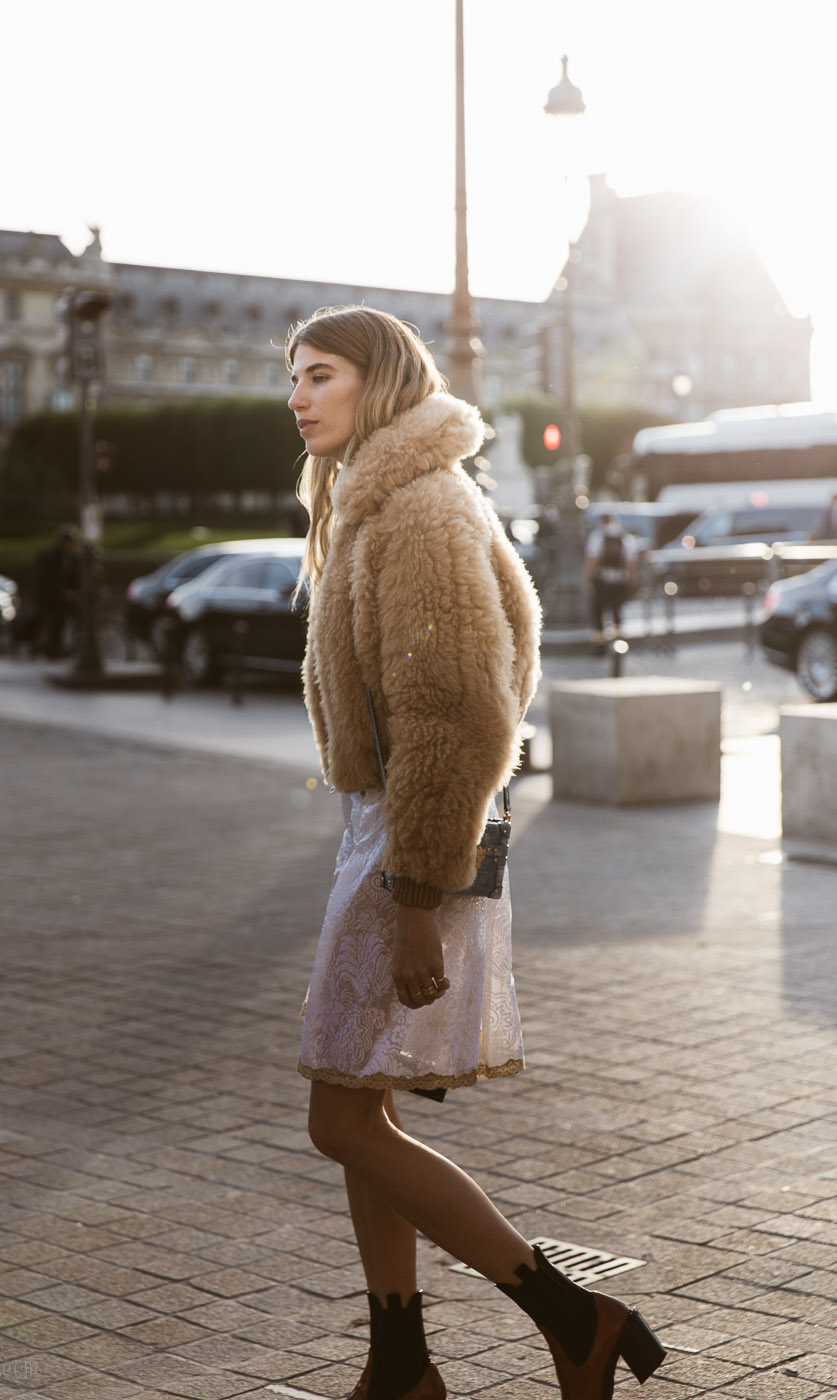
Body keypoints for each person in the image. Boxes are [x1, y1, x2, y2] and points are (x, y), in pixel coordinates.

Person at [287, 307, 665, 1400]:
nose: (300, 397)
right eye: (294, 380)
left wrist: (413, 893)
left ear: (381, 381)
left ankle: (573, 1312)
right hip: (385, 827)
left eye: (322, 375)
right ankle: (401, 1360)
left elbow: (455, 715)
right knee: (364, 1107)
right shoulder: (371, 500)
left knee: (342, 1114)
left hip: (416, 841)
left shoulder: (417, 508)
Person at [584, 512, 637, 647]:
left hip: (602, 580)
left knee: (599, 611)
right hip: (620, 580)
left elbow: (592, 560)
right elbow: (630, 563)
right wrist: (630, 581)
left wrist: (589, 580)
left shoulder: (597, 537)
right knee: (617, 611)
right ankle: (619, 644)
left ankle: (600, 644)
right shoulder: (625, 538)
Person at [33, 526, 80, 658]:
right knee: (56, 619)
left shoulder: (76, 559)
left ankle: (74, 645)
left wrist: (74, 593)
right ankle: (53, 648)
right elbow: (45, 582)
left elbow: (78, 579)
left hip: (69, 600)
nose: (69, 546)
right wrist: (62, 593)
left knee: (81, 615)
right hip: (51, 600)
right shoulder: (49, 558)